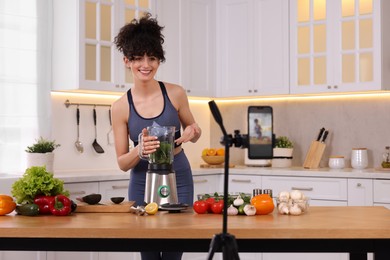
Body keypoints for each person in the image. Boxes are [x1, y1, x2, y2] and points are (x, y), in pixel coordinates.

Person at [111, 13, 202, 260]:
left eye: (152, 58)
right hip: (141, 179)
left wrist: (194, 132)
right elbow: (121, 163)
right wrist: (139, 150)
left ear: (159, 60)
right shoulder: (120, 107)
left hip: (179, 174)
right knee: (148, 253)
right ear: (126, 61)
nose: (146, 64)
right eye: (138, 58)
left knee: (174, 250)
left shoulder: (176, 93)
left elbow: (193, 130)